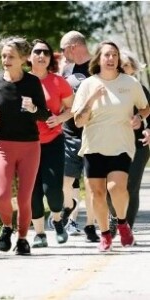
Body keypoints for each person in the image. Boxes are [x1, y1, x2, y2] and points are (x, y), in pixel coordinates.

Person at [72, 40, 149, 252]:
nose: (111, 58)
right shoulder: (88, 84)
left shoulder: (130, 83)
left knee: (116, 188)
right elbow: (78, 120)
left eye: (114, 55)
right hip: (94, 145)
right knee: (97, 193)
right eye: (106, 55)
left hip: (121, 144)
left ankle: (122, 223)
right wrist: (92, 99)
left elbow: (146, 108)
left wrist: (138, 117)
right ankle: (105, 234)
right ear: (98, 59)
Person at [0, 36, 50, 255]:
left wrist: (33, 110)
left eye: (11, 56)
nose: (5, 60)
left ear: (23, 59)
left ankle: (22, 238)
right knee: (2, 195)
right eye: (3, 56)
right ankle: (6, 227)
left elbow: (44, 113)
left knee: (24, 198)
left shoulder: (32, 82)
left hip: (29, 146)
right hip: (2, 145)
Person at [27, 39, 74, 247]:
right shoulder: (21, 82)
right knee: (32, 191)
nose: (42, 55)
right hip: (26, 143)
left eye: (46, 52)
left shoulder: (58, 82)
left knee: (52, 189)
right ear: (29, 57)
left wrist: (60, 119)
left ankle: (57, 221)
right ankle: (39, 234)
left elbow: (72, 109)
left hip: (53, 141)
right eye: (37, 52)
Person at [59, 30, 100, 243]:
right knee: (65, 182)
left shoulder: (98, 67)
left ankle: (90, 225)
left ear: (74, 46)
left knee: (91, 183)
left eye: (63, 48)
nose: (62, 54)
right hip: (69, 134)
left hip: (93, 134)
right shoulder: (66, 69)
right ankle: (70, 207)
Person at [107, 49, 150, 237]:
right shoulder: (106, 88)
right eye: (119, 65)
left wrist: (148, 129)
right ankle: (115, 216)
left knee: (130, 187)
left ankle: (128, 229)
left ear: (133, 68)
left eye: (126, 65)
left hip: (137, 146)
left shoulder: (141, 89)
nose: (122, 68)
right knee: (111, 188)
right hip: (110, 144)